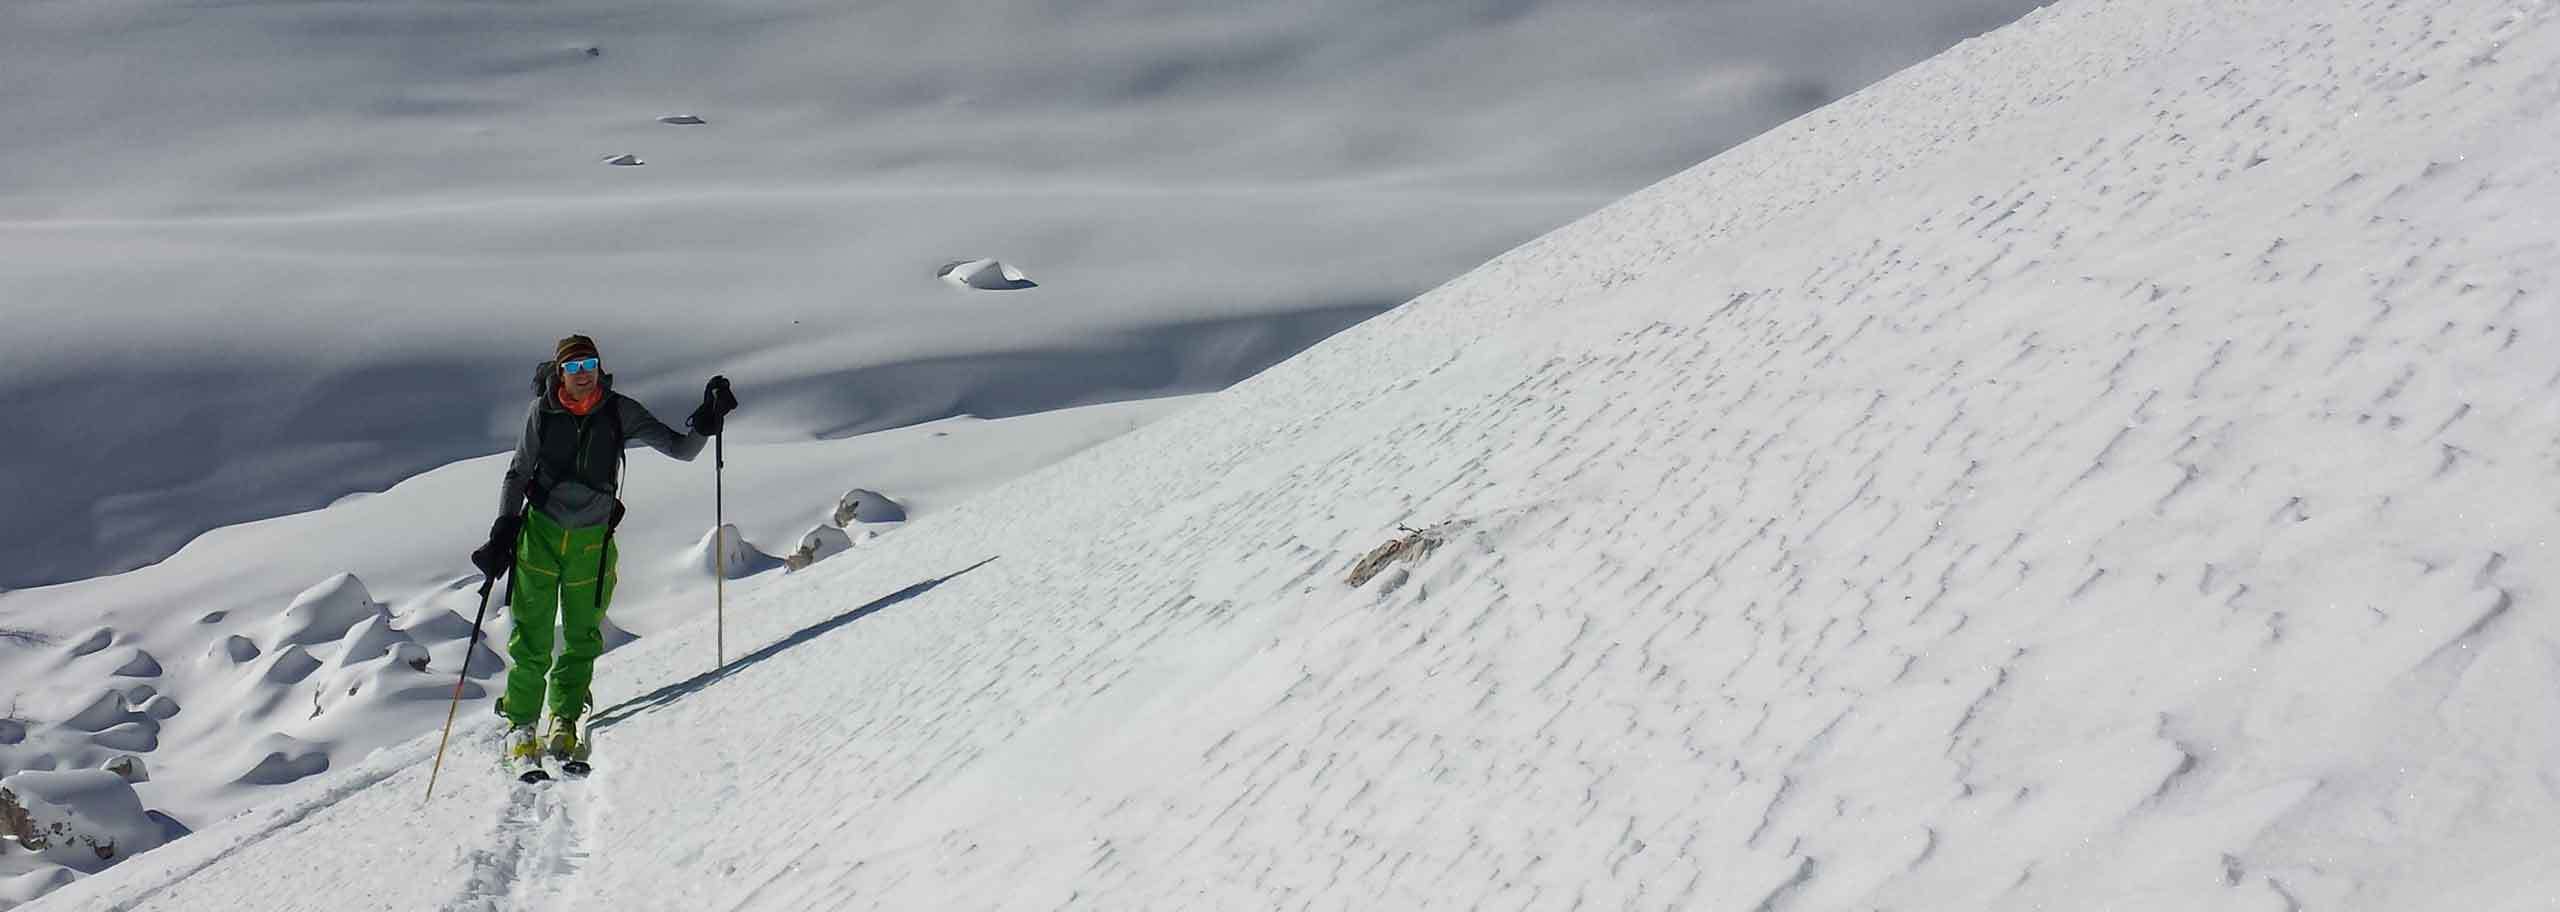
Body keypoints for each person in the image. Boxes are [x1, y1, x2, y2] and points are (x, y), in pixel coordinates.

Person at [470, 334, 737, 775]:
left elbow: (681, 449)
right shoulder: (543, 412)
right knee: (532, 638)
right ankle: (520, 724)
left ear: (599, 366)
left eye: (589, 364)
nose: (582, 374)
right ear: (559, 372)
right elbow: (518, 472)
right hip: (540, 536)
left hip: (591, 545)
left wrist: (707, 421)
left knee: (581, 636)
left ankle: (566, 717)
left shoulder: (619, 410)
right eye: (573, 368)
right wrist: (503, 529)